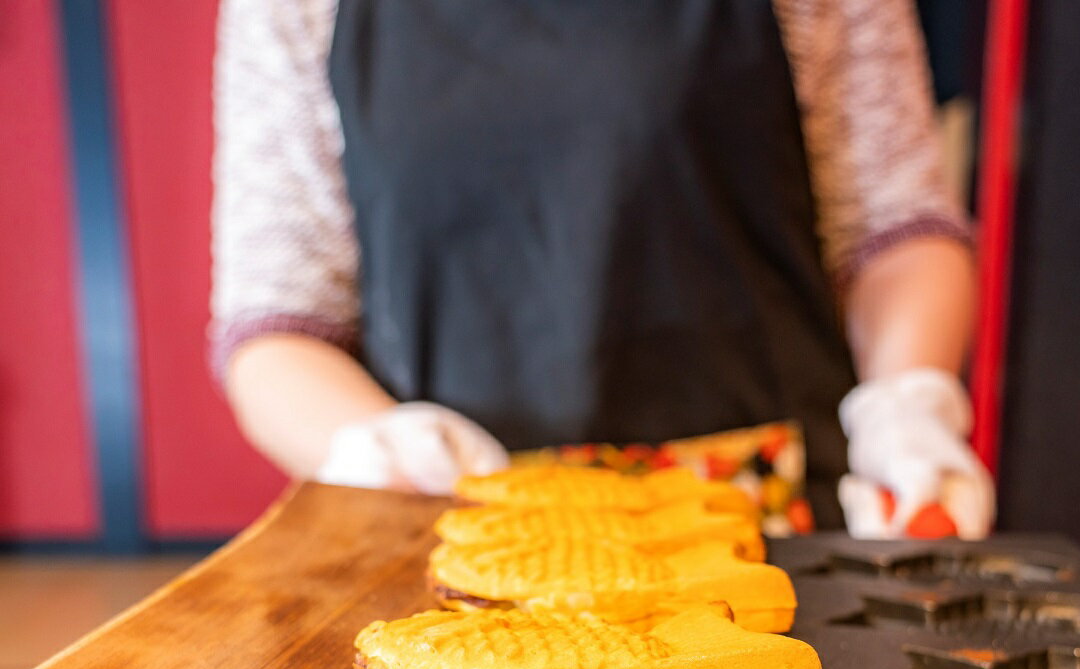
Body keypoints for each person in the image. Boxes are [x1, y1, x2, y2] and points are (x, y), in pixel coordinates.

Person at [211, 0, 994, 537]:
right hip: (454, 545)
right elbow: (277, 322)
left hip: (771, 535)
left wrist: (907, 400)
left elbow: (893, 223)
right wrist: (372, 446)